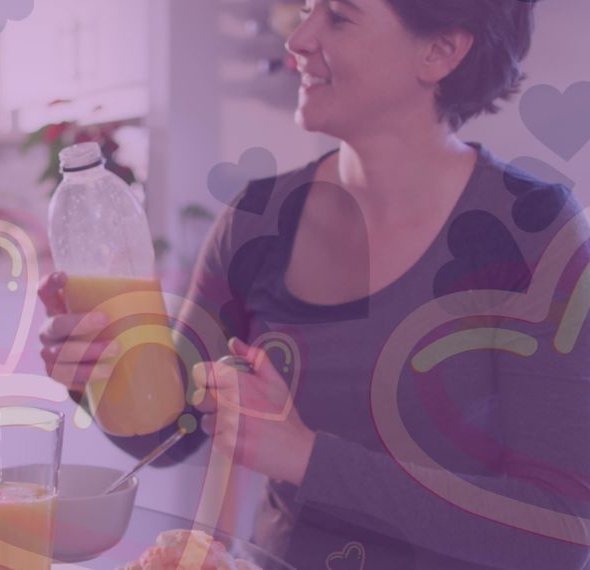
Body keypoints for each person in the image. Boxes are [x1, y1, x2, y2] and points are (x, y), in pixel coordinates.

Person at [39, 0, 590, 568]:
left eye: (340, 16)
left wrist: (308, 459)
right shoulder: (257, 219)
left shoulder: (534, 228)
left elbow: (558, 533)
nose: (298, 38)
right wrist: (102, 376)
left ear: (440, 51)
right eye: (307, 9)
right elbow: (171, 433)